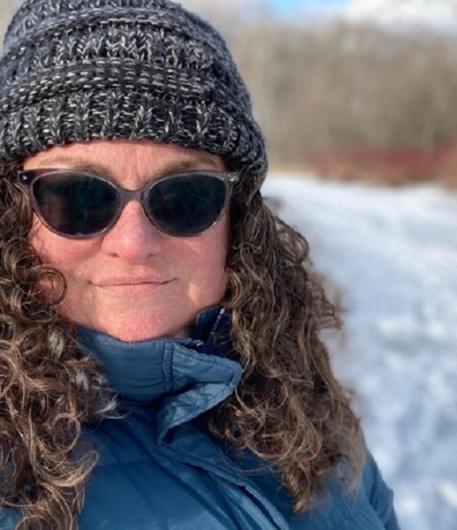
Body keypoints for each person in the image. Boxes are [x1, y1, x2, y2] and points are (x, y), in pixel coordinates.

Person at [0, 1, 400, 529]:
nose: (134, 242)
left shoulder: (310, 410)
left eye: (184, 195)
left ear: (238, 220)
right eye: (75, 195)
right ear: (11, 214)